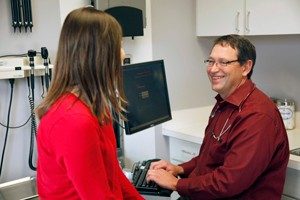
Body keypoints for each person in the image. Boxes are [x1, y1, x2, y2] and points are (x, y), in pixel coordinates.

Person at [146, 34, 289, 199]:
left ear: (246, 67)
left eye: (224, 62)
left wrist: (175, 183)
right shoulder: (225, 102)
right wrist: (180, 169)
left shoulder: (257, 116)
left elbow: (229, 181)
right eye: (211, 61)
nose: (213, 69)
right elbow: (212, 157)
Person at [36, 7, 144, 200]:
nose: (122, 53)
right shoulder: (73, 121)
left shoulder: (97, 108)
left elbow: (115, 176)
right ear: (98, 54)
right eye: (118, 45)